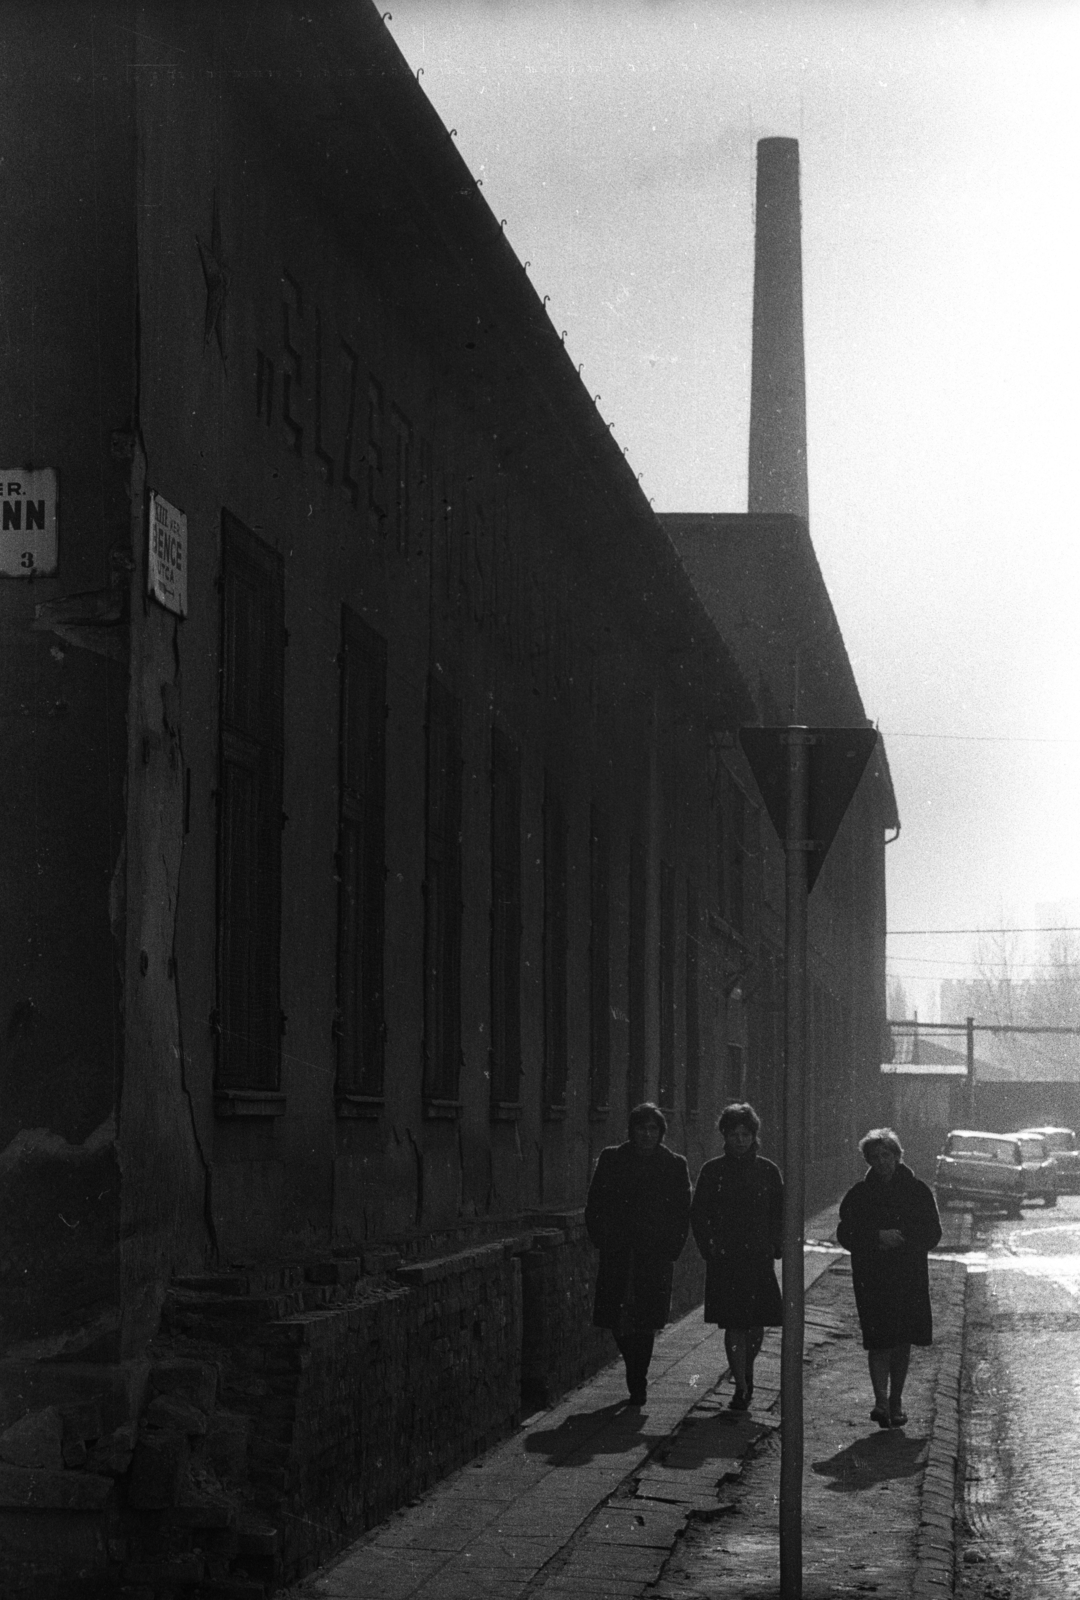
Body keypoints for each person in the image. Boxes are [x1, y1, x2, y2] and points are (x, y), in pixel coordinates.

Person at [585, 1102, 692, 1405]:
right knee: (616, 1319)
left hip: (653, 1254)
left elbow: (681, 1211)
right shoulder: (612, 1159)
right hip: (618, 1251)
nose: (647, 1134)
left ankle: (638, 1382)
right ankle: (635, 1370)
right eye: (641, 1128)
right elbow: (595, 1203)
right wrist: (602, 1237)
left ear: (660, 1133)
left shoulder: (673, 1164)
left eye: (653, 1129)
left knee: (645, 1321)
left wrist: (672, 1247)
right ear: (631, 1131)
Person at [836, 1126, 942, 1429]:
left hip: (908, 1276)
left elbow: (933, 1233)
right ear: (868, 1160)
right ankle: (880, 1402)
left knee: (902, 1341)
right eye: (875, 1157)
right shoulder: (859, 1194)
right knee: (879, 1341)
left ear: (897, 1156)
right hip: (873, 1278)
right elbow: (845, 1233)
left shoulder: (918, 1191)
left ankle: (896, 1400)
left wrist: (904, 1238)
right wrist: (876, 1237)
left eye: (887, 1155)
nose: (881, 1162)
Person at [690, 1102, 783, 1411]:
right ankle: (741, 1386)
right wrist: (710, 1247)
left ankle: (746, 1369)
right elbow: (699, 1214)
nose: (740, 1140)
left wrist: (775, 1245)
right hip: (726, 1259)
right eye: (734, 1134)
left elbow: (779, 1213)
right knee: (734, 1323)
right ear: (725, 1136)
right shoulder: (713, 1170)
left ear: (753, 1136)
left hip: (757, 1257)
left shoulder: (768, 1171)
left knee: (756, 1325)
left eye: (745, 1134)